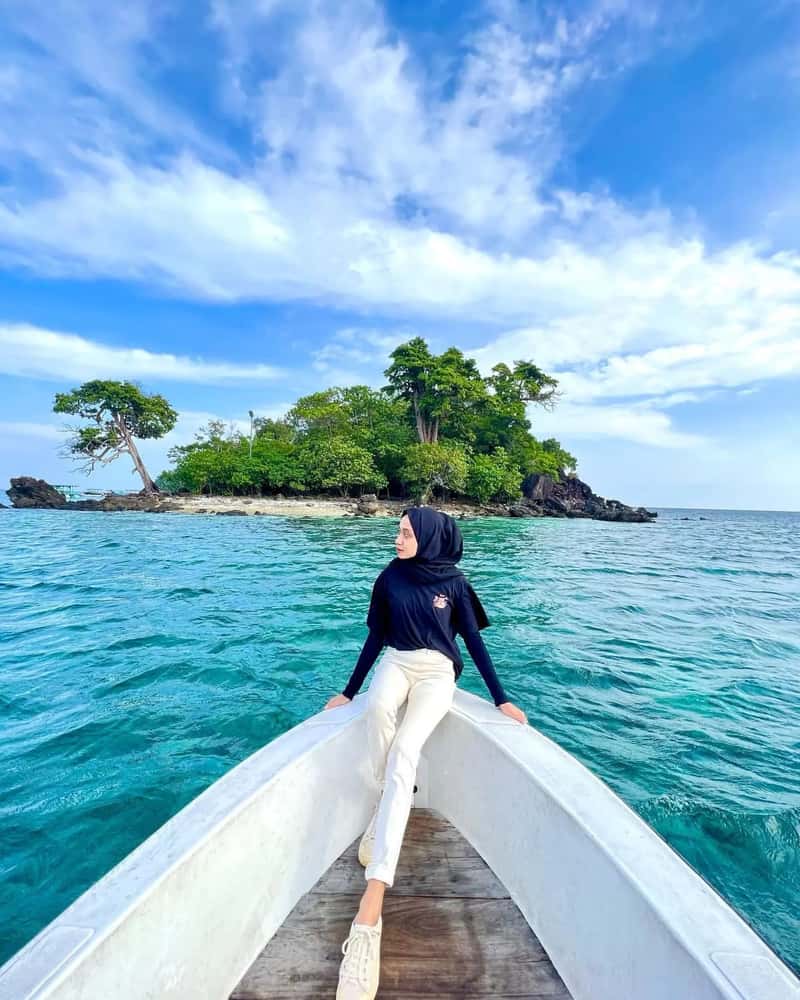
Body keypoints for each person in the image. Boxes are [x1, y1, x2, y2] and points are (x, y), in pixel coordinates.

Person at [323, 504, 528, 1000]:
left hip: (436, 671)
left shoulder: (454, 584)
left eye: (406, 532)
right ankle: (387, 805)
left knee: (407, 748)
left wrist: (500, 697)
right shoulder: (389, 577)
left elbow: (474, 643)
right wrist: (349, 691)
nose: (397, 539)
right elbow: (375, 637)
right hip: (396, 662)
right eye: (398, 531)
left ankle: (370, 911)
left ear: (431, 538)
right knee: (377, 716)